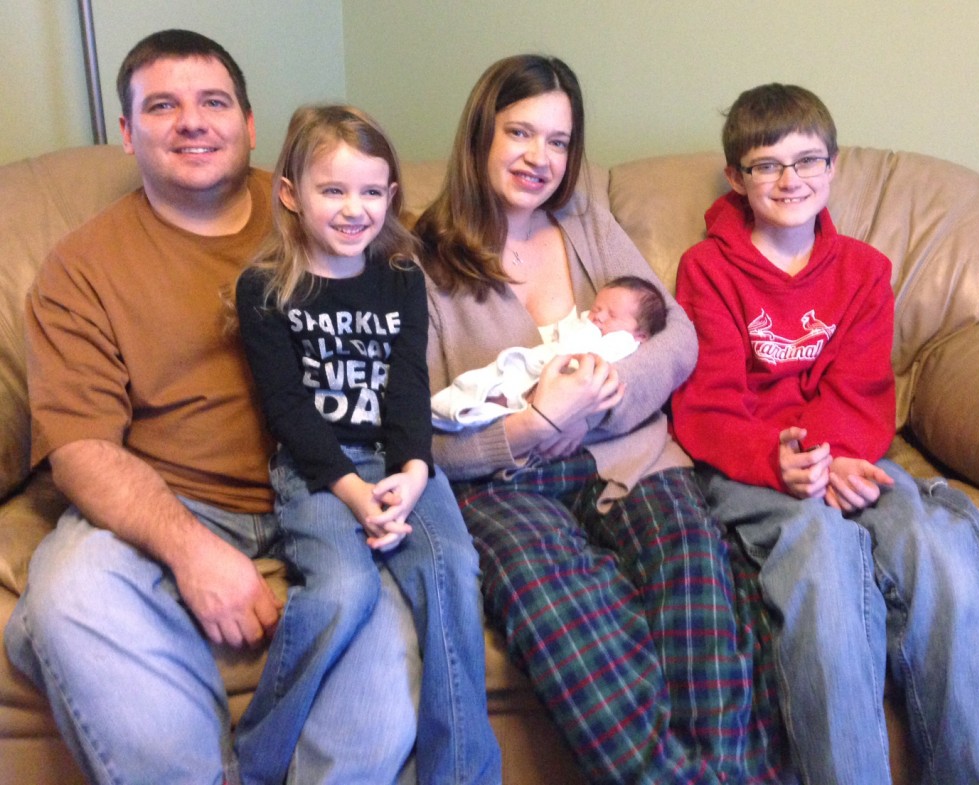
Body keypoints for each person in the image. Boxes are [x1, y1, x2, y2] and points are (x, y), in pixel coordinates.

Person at [4, 30, 420, 785]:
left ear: (251, 126)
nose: (192, 121)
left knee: (382, 706)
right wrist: (192, 551)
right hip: (183, 499)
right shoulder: (82, 267)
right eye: (162, 105)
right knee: (65, 590)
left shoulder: (327, 205)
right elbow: (80, 450)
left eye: (213, 102)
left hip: (337, 489)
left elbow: (409, 338)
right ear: (128, 133)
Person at [415, 55, 789, 785]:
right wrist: (525, 428)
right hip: (506, 483)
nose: (539, 157)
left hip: (631, 457)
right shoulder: (418, 259)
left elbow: (677, 335)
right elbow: (419, 437)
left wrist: (607, 392)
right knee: (572, 621)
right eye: (521, 132)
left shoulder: (584, 219)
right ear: (479, 134)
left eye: (558, 141)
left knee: (701, 589)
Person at [670, 83, 979, 785]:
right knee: (823, 556)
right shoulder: (705, 269)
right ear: (737, 177)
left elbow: (861, 390)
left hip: (850, 454)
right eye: (766, 164)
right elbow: (706, 403)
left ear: (832, 168)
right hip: (750, 467)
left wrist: (827, 461)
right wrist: (782, 461)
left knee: (936, 546)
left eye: (807, 160)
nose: (789, 179)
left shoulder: (864, 270)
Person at [233, 104, 501, 785]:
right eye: (333, 190)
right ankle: (257, 755)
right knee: (347, 586)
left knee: (451, 572)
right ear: (291, 193)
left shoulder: (403, 275)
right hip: (317, 471)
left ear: (390, 196)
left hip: (400, 462)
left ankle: (464, 773)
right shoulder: (265, 286)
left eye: (371, 192)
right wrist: (353, 493)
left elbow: (409, 383)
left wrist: (414, 471)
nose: (354, 209)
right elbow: (289, 409)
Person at [430, 275, 666, 431]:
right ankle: (451, 408)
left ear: (641, 336)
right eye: (597, 308)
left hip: (566, 386)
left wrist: (580, 418)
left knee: (505, 397)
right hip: (539, 367)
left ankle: (472, 409)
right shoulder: (590, 324)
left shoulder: (624, 342)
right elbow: (563, 335)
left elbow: (606, 372)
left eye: (612, 315)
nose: (599, 316)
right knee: (494, 380)